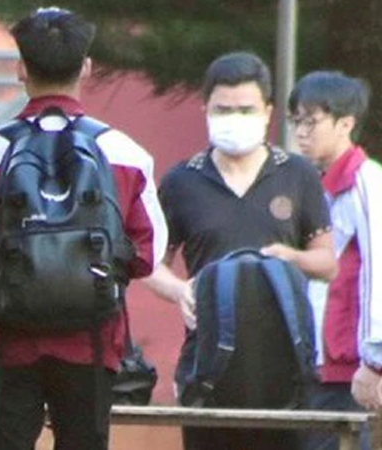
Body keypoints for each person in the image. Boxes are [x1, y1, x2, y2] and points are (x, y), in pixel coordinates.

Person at [0, 7, 167, 450]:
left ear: (21, 68)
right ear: (86, 67)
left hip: (4, 340)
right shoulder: (127, 155)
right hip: (92, 338)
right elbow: (147, 256)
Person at [143, 52, 337, 450]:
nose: (234, 118)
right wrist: (181, 291)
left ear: (267, 112)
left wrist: (291, 258)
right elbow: (149, 262)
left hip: (285, 357)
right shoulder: (182, 181)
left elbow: (328, 262)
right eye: (223, 110)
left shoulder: (297, 174)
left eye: (246, 109)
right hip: (209, 360)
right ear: (206, 110)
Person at [288, 70, 382, 450]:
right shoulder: (305, 183)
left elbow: (378, 274)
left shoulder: (368, 183)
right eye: (296, 121)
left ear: (346, 123)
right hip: (310, 366)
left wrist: (374, 361)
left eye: (311, 122)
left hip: (351, 370)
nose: (301, 132)